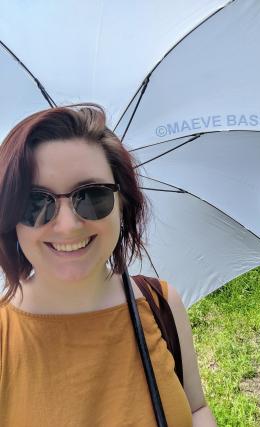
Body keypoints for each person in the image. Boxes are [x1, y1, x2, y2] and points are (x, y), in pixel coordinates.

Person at [0, 104, 217, 426]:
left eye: (91, 196)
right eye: (36, 202)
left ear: (122, 203)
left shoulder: (161, 303)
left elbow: (196, 408)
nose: (68, 225)